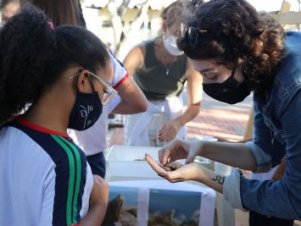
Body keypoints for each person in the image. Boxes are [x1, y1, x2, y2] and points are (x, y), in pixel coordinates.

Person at [145, 0, 301, 222]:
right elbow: (264, 153)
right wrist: (200, 147)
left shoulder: (294, 88)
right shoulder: (264, 63)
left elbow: (294, 200)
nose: (208, 85)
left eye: (212, 75)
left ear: (241, 57)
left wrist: (204, 175)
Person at [0, 5, 112, 225]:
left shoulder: (5, 130)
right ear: (83, 80)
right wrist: (100, 206)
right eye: (104, 91)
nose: (102, 102)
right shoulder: (67, 160)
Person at [30, 0, 148, 178]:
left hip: (35, 152)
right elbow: (138, 103)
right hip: (88, 157)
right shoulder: (98, 54)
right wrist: (93, 107)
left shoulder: (23, 54)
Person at [123, 0, 203, 147]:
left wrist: (178, 123)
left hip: (172, 115)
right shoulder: (140, 52)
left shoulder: (190, 60)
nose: (180, 42)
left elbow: (195, 105)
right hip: (140, 112)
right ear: (165, 26)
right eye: (177, 34)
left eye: (186, 38)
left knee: (171, 162)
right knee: (135, 158)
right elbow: (117, 83)